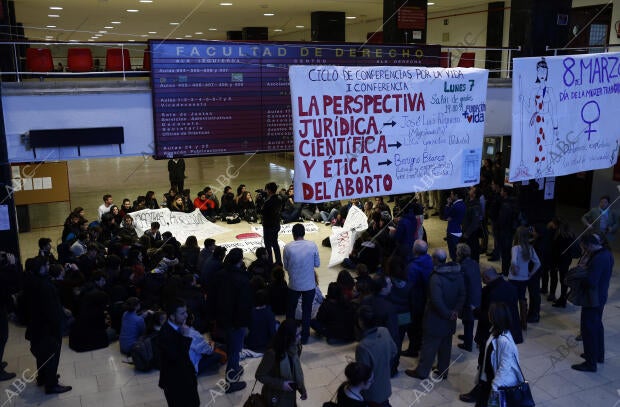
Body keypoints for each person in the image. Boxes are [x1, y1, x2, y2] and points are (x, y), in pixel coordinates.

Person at [406, 248, 465, 380]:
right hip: (450, 320)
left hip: (435, 319)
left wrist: (447, 313)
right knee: (446, 346)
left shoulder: (436, 277)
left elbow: (436, 300)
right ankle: (443, 371)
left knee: (429, 347)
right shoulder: (458, 274)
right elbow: (462, 295)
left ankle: (422, 372)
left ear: (436, 260)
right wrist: (455, 312)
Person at [24, 256, 72, 394]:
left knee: (42, 354)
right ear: (41, 268)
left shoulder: (31, 281)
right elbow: (52, 310)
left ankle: (43, 377)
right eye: (46, 265)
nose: (48, 266)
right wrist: (59, 324)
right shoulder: (45, 286)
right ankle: (51, 385)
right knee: (52, 356)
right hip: (48, 328)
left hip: (36, 326)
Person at [572, 233, 614, 372]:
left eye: (584, 246)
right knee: (597, 326)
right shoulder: (607, 253)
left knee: (588, 329)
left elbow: (591, 281)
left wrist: (579, 277)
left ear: (589, 245)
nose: (584, 249)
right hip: (600, 297)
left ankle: (590, 363)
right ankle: (598, 355)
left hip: (593, 299)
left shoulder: (598, 259)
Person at [213, 248, 251, 392]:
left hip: (223, 318)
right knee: (235, 351)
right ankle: (230, 382)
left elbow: (213, 297)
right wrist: (246, 323)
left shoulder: (219, 275)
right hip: (236, 321)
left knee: (231, 347)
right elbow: (245, 304)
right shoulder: (243, 278)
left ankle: (235, 368)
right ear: (240, 261)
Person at [478, 302, 524, 406]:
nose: (488, 314)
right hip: (488, 378)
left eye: (490, 313)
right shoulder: (494, 330)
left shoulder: (503, 340)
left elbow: (505, 366)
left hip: (497, 383)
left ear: (495, 317)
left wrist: (495, 385)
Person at [158, 298, 199, 407]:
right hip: (175, 383)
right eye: (182, 313)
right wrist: (185, 337)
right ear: (172, 316)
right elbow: (177, 358)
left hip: (186, 377)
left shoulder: (178, 327)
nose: (186, 315)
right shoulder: (165, 333)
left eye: (186, 312)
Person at [255, 319, 307, 406]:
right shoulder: (272, 353)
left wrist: (302, 389)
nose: (300, 337)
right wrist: (281, 384)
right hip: (275, 396)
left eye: (300, 334)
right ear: (288, 337)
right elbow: (260, 375)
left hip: (290, 394)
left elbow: (296, 372)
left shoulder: (295, 348)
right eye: (297, 335)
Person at [283, 223, 320, 344]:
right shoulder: (312, 245)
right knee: (307, 310)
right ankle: (305, 337)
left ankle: (289, 334)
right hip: (309, 285)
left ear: (293, 234)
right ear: (304, 233)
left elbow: (286, 267)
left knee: (290, 311)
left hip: (294, 285)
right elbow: (317, 264)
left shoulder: (287, 247)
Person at [355, 305, 397, 406]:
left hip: (371, 392)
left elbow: (362, 375)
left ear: (361, 322)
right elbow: (394, 351)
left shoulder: (363, 346)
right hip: (385, 385)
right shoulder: (384, 331)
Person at [402, 239, 434, 358]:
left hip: (414, 300)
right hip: (425, 298)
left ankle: (412, 349)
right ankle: (419, 344)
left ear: (414, 250)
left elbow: (408, 286)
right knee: (419, 324)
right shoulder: (429, 260)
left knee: (411, 326)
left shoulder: (412, 267)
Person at [509, 226, 540, 331]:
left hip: (513, 278)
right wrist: (530, 274)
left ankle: (513, 323)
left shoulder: (515, 248)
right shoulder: (530, 248)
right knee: (522, 299)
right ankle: (524, 323)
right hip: (524, 279)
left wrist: (514, 269)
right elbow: (538, 263)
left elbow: (513, 261)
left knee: (512, 301)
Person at [456, 243, 481, 352]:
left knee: (468, 320)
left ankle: (468, 344)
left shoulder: (462, 267)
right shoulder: (474, 263)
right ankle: (467, 336)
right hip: (476, 295)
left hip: (469, 298)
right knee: (467, 320)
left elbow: (461, 284)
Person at [261, 182, 283, 265]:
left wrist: (263, 200)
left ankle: (269, 262)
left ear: (269, 190)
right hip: (276, 224)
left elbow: (262, 212)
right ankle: (279, 261)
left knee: (268, 245)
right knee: (275, 243)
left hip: (268, 225)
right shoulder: (279, 198)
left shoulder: (268, 201)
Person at [444, 189, 466, 261]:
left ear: (456, 195)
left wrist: (447, 204)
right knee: (457, 252)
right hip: (458, 230)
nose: (450, 196)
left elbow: (446, 216)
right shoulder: (463, 204)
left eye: (452, 194)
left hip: (452, 231)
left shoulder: (455, 206)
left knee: (453, 253)